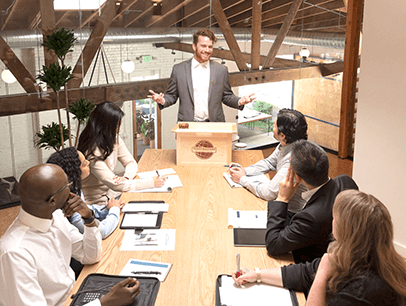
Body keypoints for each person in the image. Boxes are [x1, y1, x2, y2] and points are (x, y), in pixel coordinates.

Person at [233, 190, 406, 305]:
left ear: (347, 231)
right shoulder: (365, 253)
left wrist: (323, 272)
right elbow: (304, 273)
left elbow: (317, 272)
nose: (332, 222)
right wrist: (256, 274)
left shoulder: (364, 290)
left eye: (335, 218)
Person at [0, 164, 140, 306]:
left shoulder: (56, 216)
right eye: (67, 185)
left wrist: (88, 218)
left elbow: (90, 256)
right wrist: (104, 303)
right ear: (53, 200)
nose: (71, 189)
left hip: (77, 294)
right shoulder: (14, 253)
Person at [266, 140, 358, 263]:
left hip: (314, 266)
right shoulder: (345, 181)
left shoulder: (310, 218)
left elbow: (273, 245)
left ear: (296, 177)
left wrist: (282, 199)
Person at [147, 28, 256, 122]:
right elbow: (172, 95)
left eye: (210, 47)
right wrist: (163, 100)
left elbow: (226, 96)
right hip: (188, 125)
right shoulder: (178, 70)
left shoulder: (221, 70)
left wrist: (239, 101)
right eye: (203, 46)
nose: (207, 50)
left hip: (214, 124)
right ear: (194, 46)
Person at [77, 101, 165, 205]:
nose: (119, 130)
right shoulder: (91, 151)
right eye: (117, 126)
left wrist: (126, 177)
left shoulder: (114, 138)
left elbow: (131, 163)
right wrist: (151, 183)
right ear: (106, 126)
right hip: (96, 203)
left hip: (110, 195)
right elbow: (115, 184)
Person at [229, 108, 308, 213]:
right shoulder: (286, 144)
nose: (272, 127)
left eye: (274, 126)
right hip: (282, 205)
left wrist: (242, 179)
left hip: (291, 213)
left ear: (282, 135)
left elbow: (268, 193)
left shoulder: (294, 160)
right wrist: (245, 171)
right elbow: (269, 162)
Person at [47, 147, 123, 239]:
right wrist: (114, 210)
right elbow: (101, 232)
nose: (88, 162)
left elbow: (85, 209)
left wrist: (106, 209)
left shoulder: (73, 186)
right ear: (74, 172)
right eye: (84, 164)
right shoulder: (68, 198)